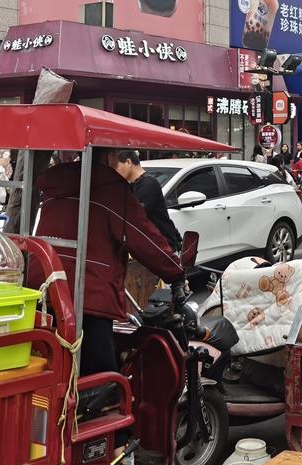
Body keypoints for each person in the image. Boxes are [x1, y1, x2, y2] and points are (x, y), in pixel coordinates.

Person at [31, 148, 192, 377]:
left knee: (50, 367)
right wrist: (175, 273)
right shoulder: (113, 190)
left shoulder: (56, 184)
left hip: (44, 285)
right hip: (88, 294)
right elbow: (145, 239)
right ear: (111, 156)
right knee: (102, 379)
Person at [110, 148, 182, 253]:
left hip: (164, 247)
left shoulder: (148, 184)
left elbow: (136, 216)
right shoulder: (133, 185)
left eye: (116, 167)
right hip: (153, 246)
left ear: (128, 162)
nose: (115, 171)